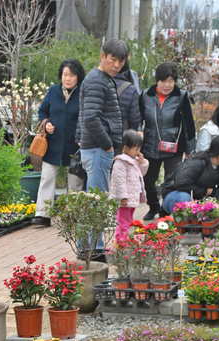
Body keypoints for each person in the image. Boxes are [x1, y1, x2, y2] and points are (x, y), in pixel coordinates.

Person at [78, 38, 128, 260]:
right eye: (113, 59)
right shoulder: (97, 80)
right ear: (102, 56)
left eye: (121, 61)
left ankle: (93, 247)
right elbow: (90, 118)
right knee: (96, 201)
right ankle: (91, 250)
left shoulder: (104, 78)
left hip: (98, 148)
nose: (116, 65)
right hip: (98, 149)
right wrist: (108, 145)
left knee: (94, 200)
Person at [31, 59, 85, 227]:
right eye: (64, 74)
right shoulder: (53, 91)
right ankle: (43, 214)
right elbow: (42, 111)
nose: (67, 78)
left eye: (71, 75)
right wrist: (46, 122)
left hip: (75, 144)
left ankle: (73, 214)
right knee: (47, 177)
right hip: (53, 143)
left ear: (78, 77)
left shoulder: (83, 92)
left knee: (75, 181)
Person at [139, 61, 197, 221]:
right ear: (157, 80)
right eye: (164, 81)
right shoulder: (146, 95)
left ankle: (166, 210)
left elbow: (188, 124)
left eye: (171, 81)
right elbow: (138, 119)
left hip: (174, 147)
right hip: (150, 145)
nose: (167, 85)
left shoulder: (181, 96)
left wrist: (190, 150)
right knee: (148, 180)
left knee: (171, 180)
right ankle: (153, 207)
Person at [160, 135, 219, 215]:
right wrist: (204, 191)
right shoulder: (197, 163)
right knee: (184, 198)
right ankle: (181, 220)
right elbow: (181, 183)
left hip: (200, 196)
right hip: (175, 194)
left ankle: (209, 216)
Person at [109, 129, 148, 243]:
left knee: (127, 221)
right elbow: (120, 182)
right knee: (124, 222)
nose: (138, 152)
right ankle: (124, 243)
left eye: (139, 149)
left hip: (132, 198)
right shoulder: (120, 162)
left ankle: (120, 241)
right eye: (136, 149)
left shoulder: (134, 160)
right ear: (126, 148)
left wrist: (142, 162)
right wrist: (123, 197)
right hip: (124, 200)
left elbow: (142, 172)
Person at [114, 59, 142, 134]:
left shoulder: (99, 84)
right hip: (122, 136)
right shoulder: (130, 89)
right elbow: (134, 119)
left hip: (99, 136)